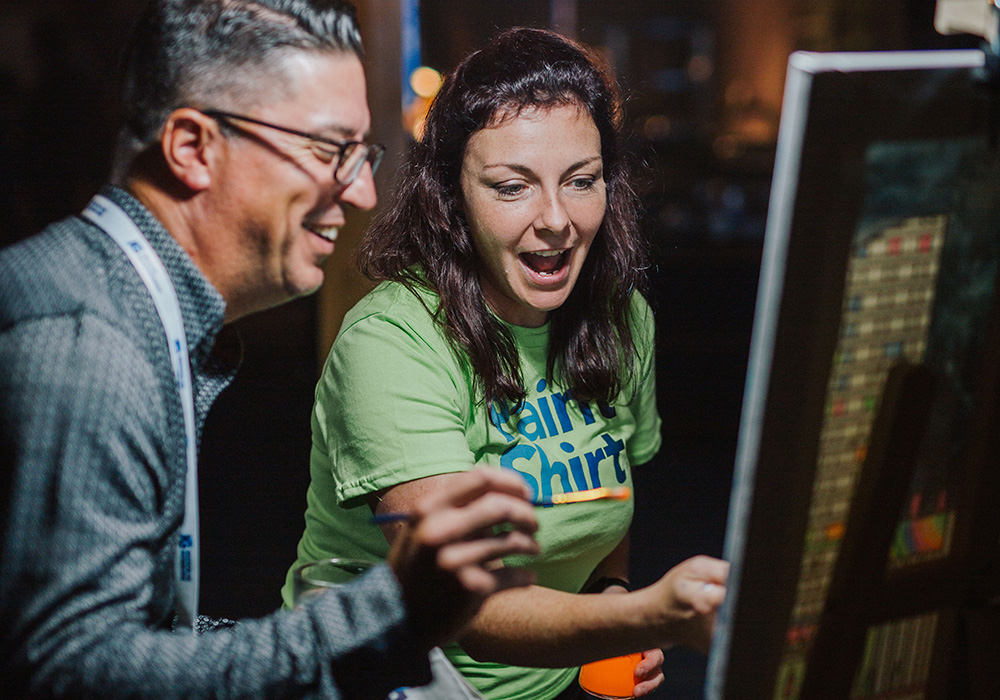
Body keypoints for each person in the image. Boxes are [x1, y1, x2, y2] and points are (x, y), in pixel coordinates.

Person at [0, 2, 541, 699]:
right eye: (329, 150)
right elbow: (69, 677)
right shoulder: (88, 347)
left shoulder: (121, 306)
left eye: (364, 155)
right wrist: (390, 613)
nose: (363, 191)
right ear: (193, 147)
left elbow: (131, 635)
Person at [283, 26, 730, 700]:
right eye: (512, 187)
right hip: (384, 681)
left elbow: (604, 504)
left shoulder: (621, 317)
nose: (556, 219)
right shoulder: (391, 341)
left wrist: (610, 599)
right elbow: (465, 604)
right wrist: (645, 615)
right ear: (451, 197)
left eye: (581, 181)